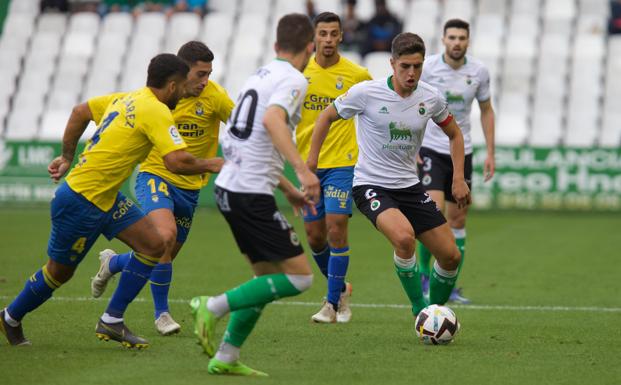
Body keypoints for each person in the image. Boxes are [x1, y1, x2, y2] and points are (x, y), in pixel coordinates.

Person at [0, 53, 222, 348]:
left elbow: (81, 111)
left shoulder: (126, 98)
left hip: (106, 196)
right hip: (81, 200)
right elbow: (176, 162)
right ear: (171, 85)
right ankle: (10, 317)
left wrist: (68, 156)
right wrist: (214, 164)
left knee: (154, 245)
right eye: (182, 87)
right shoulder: (156, 110)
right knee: (59, 272)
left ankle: (112, 320)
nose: (184, 93)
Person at [190, 13, 319, 377]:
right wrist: (303, 172)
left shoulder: (258, 76)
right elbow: (272, 122)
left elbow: (243, 142)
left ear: (276, 44)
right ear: (309, 47)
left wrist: (289, 189)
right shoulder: (294, 79)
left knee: (265, 280)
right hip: (248, 193)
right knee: (300, 278)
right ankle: (212, 306)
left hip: (231, 187)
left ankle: (227, 355)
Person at [308, 32, 470, 319]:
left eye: (417, 66)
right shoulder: (366, 93)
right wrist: (311, 162)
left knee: (450, 256)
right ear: (392, 63)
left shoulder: (430, 98)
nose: (411, 73)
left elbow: (455, 134)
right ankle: (420, 310)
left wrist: (458, 178)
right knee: (405, 239)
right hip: (371, 185)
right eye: (405, 66)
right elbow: (326, 117)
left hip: (410, 186)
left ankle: (437, 313)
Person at [89, 41, 233, 336]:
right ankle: (162, 314)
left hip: (190, 187)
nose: (205, 81)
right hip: (156, 174)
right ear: (180, 73)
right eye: (200, 74)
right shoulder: (160, 99)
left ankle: (113, 262)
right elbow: (96, 111)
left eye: (209, 74)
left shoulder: (216, 97)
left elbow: (241, 126)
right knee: (163, 237)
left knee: (160, 252)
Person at [296, 11, 372, 323]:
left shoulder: (356, 74)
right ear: (313, 37)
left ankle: (330, 303)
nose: (328, 40)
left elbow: (379, 107)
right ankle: (341, 289)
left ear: (341, 36)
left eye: (333, 34)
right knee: (315, 236)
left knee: (336, 225)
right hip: (307, 165)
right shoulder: (298, 74)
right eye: (322, 34)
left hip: (342, 162)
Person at [416, 19, 495, 304]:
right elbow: (414, 105)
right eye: (452, 37)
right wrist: (413, 147)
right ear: (444, 40)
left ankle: (449, 286)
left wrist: (490, 152)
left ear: (468, 41)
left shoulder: (479, 71)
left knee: (458, 218)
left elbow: (486, 111)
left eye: (462, 37)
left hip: (462, 151)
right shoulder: (428, 69)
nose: (457, 42)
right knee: (432, 213)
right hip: (430, 149)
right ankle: (425, 277)